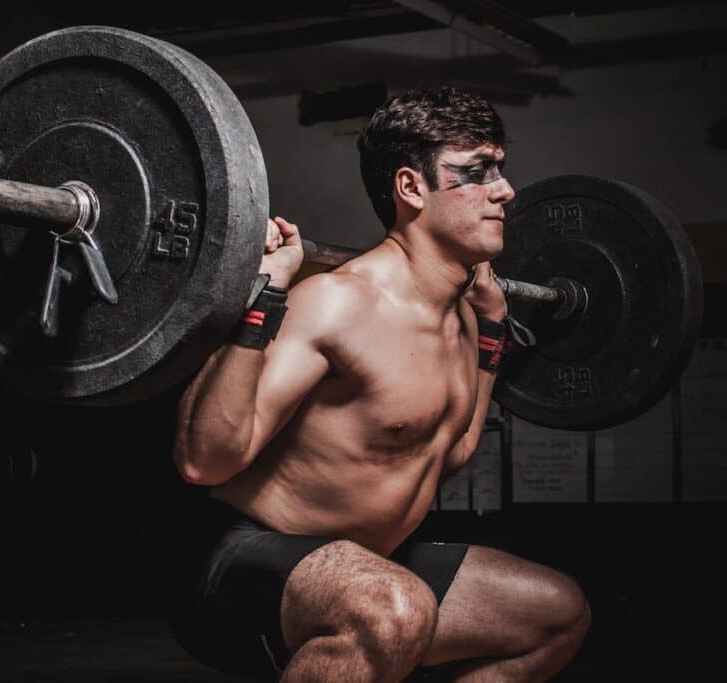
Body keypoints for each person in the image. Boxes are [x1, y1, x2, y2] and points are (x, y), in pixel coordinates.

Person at [169, 86, 590, 682]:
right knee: (395, 607)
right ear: (411, 188)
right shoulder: (337, 303)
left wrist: (494, 329)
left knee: (555, 613)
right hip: (238, 560)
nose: (504, 190)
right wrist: (263, 299)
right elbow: (204, 460)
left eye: (499, 168)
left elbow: (456, 447)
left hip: (368, 564)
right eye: (475, 172)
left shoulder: (464, 317)